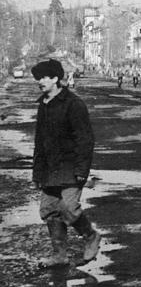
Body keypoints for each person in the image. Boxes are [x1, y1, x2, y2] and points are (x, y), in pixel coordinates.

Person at [31, 59, 101, 268]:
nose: (40, 82)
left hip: (70, 168)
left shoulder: (73, 104)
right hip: (49, 169)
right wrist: (37, 172)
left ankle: (90, 236)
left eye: (44, 77)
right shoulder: (43, 105)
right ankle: (59, 255)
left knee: (69, 208)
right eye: (38, 78)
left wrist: (82, 170)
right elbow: (39, 141)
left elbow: (85, 139)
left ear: (55, 78)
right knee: (49, 211)